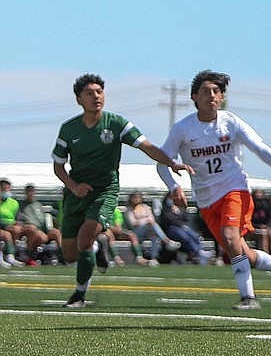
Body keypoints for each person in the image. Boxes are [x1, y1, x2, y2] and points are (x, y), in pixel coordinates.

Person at [157, 69, 271, 310]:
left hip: (234, 190)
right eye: (206, 91)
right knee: (241, 251)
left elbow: (260, 148)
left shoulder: (231, 122)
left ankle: (248, 297)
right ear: (194, 96)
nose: (211, 96)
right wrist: (174, 186)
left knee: (229, 237)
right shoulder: (183, 129)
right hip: (206, 200)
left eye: (216, 91)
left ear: (222, 97)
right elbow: (162, 162)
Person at [52, 74, 193, 308]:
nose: (96, 96)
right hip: (76, 193)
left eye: (99, 91)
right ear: (79, 99)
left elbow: (147, 146)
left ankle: (79, 294)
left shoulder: (116, 124)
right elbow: (58, 165)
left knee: (84, 239)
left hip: (104, 191)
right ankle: (99, 248)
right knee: (70, 254)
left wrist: (171, 163)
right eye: (89, 92)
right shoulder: (69, 128)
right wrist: (73, 186)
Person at [125, 190, 179, 263]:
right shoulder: (129, 210)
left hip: (149, 229)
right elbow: (133, 223)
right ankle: (167, 241)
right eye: (135, 198)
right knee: (152, 224)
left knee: (154, 237)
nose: (137, 199)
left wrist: (146, 221)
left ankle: (154, 258)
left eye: (138, 197)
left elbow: (152, 219)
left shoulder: (145, 207)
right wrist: (146, 221)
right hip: (137, 231)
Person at [17, 184, 63, 263]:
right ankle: (30, 255)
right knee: (41, 236)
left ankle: (62, 255)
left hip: (43, 228)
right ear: (25, 193)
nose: (31, 194)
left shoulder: (38, 205)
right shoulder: (21, 205)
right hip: (32, 229)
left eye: (32, 192)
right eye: (29, 192)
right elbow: (19, 220)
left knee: (56, 232)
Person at [0, 178, 24, 266]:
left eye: (8, 189)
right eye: (4, 189)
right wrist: (5, 225)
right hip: (3, 227)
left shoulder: (14, 203)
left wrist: (18, 223)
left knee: (16, 230)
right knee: (6, 235)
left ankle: (11, 255)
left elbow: (19, 218)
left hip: (9, 226)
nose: (6, 192)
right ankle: (7, 256)